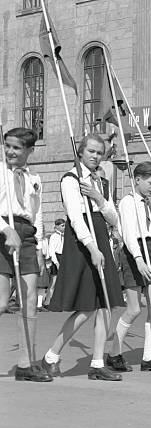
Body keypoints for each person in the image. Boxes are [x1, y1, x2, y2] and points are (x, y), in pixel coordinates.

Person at [42, 134, 124, 381]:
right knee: (86, 307)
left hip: (101, 235)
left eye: (100, 152)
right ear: (80, 151)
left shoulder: (102, 181)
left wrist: (98, 197)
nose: (96, 156)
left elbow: (112, 217)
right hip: (83, 243)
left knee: (107, 304)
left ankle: (98, 363)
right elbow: (76, 218)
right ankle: (51, 356)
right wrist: (92, 248)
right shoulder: (71, 179)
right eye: (91, 151)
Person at [108, 162, 151, 372]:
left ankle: (148, 357)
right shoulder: (128, 202)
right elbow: (127, 233)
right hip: (134, 252)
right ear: (137, 179)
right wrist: (137, 258)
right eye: (150, 182)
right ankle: (114, 353)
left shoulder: (149, 204)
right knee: (134, 309)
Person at [0, 128, 49, 382]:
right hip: (3, 234)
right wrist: (7, 230)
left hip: (27, 237)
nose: (10, 151)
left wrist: (39, 246)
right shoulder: (0, 172)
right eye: (7, 145)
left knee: (29, 301)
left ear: (30, 151)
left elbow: (37, 214)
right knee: (1, 303)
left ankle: (25, 364)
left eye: (17, 148)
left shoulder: (34, 179)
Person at [44, 218, 65, 306]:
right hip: (56, 258)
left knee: (61, 282)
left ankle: (58, 301)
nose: (64, 227)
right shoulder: (54, 236)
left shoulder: (64, 236)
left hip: (63, 257)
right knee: (53, 282)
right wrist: (56, 263)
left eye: (64, 226)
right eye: (62, 226)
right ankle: (48, 302)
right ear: (56, 226)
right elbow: (51, 251)